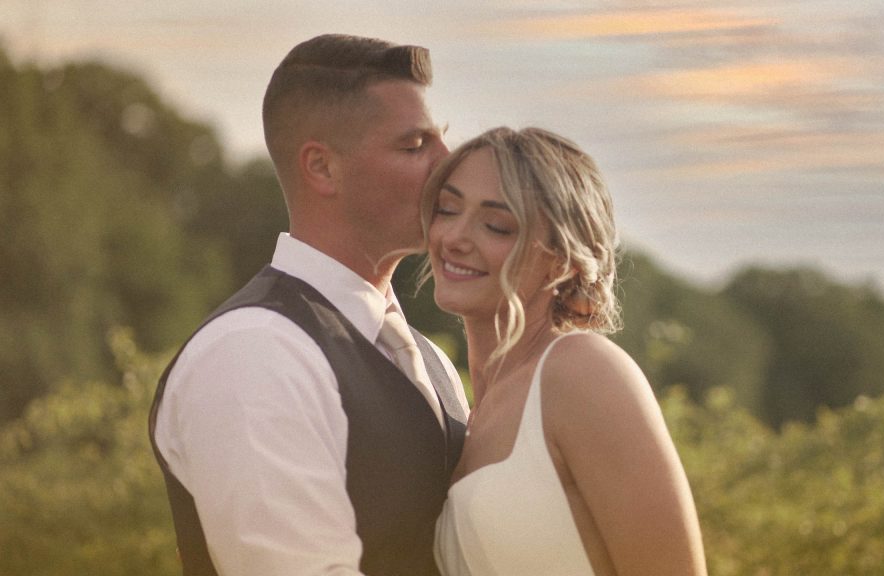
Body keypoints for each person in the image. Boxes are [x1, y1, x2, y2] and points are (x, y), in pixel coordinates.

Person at [148, 34, 469, 576]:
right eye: (415, 146)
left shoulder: (428, 361)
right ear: (322, 169)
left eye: (442, 140)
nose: (449, 164)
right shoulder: (252, 353)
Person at [424, 127, 708, 576]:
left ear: (563, 258)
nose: (455, 237)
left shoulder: (581, 372)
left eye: (496, 225)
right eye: (447, 209)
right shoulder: (466, 413)